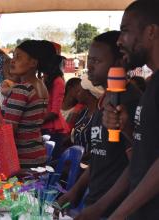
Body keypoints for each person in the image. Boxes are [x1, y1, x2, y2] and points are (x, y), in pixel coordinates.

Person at [58, 31, 141, 219]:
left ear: (119, 63)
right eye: (89, 60)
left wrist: (101, 207)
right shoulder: (104, 100)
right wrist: (76, 190)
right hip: (94, 203)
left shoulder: (129, 101)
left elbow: (137, 163)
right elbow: (98, 156)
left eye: (96, 61)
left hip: (116, 210)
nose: (89, 67)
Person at [90, 1, 159, 219]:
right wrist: (126, 127)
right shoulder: (153, 84)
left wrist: (116, 214)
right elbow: (144, 154)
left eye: (126, 31)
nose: (119, 40)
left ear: (151, 31)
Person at [2, 40, 49, 168]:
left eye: (18, 57)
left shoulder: (22, 89)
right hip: (38, 154)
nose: (12, 61)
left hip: (22, 159)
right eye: (13, 56)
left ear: (33, 63)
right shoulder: (41, 85)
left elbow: (9, 129)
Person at [72, 75, 103, 162]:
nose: (76, 94)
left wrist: (78, 159)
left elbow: (97, 148)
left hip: (90, 165)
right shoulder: (83, 112)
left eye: (79, 91)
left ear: (88, 93)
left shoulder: (100, 116)